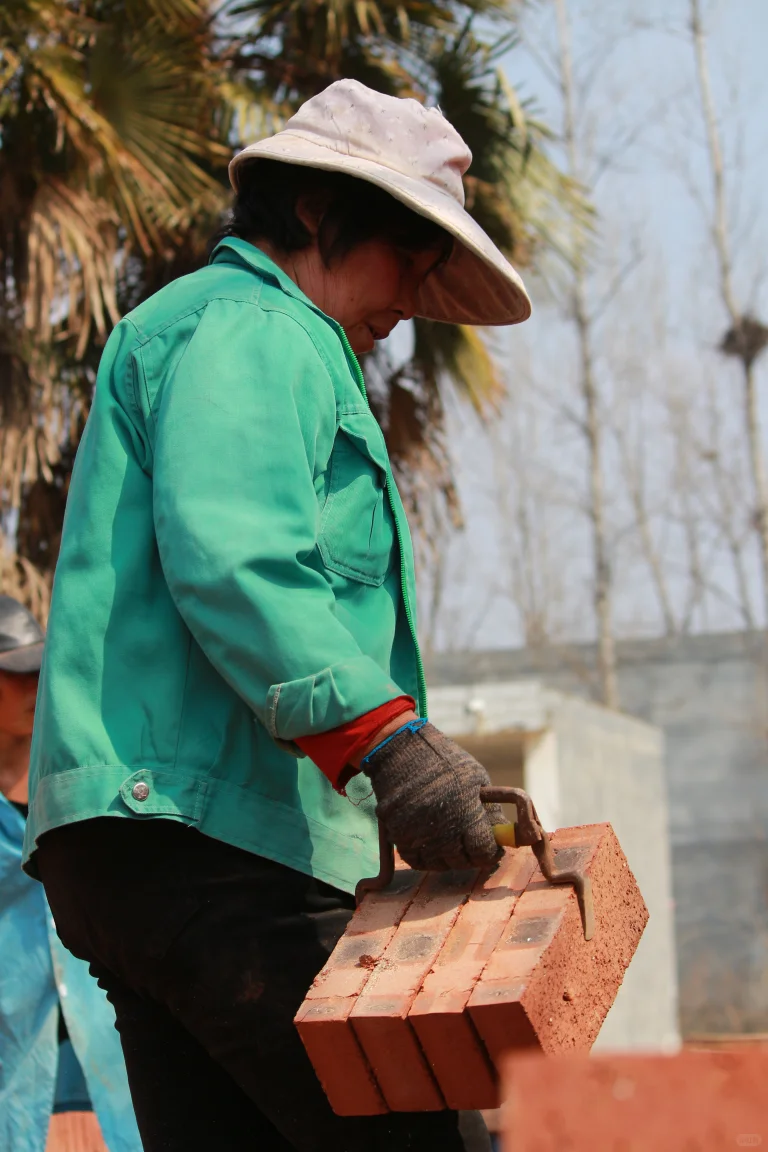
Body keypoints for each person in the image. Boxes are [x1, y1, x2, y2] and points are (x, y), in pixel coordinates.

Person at [24, 80, 532, 1151]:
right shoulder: (255, 326)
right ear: (315, 210)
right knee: (423, 1129)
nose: (413, 297)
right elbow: (237, 558)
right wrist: (387, 740)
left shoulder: (219, 331)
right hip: (209, 844)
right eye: (410, 253)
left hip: (142, 854)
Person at [0, 595, 141, 1152]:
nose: (35, 683)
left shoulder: (82, 777)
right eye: (14, 672)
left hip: (105, 1038)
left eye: (40, 666)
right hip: (14, 1050)